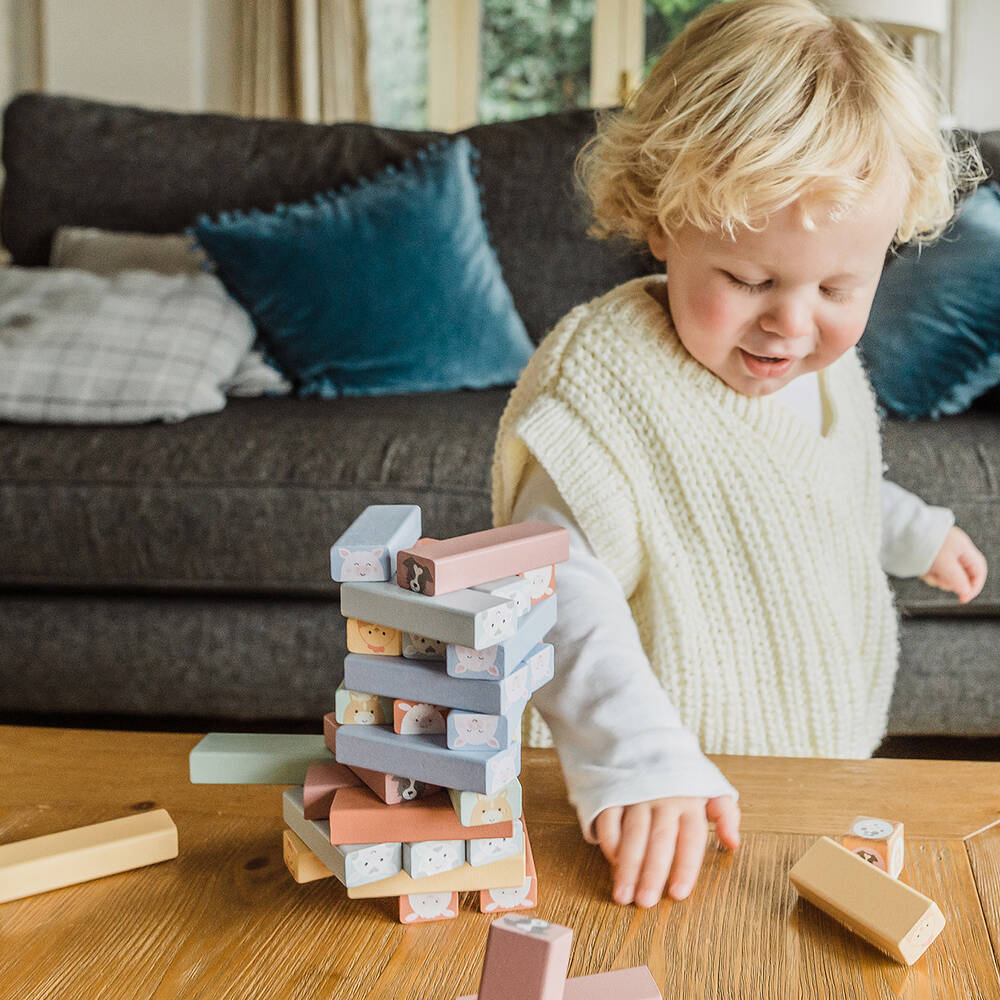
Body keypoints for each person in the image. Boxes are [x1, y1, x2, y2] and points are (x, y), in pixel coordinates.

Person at [491, 0, 988, 911]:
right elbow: (549, 584)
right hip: (655, 802)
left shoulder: (823, 376)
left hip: (816, 766)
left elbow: (833, 487)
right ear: (663, 221)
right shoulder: (604, 383)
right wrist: (637, 758)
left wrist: (918, 535)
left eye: (840, 285)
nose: (792, 324)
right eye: (750, 280)